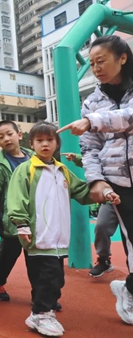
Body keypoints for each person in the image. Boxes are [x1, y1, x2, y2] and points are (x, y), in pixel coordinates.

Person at [7, 121, 119, 337]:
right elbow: (16, 199)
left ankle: (42, 307)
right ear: (31, 144)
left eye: (50, 140)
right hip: (37, 236)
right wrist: (21, 224)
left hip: (57, 238)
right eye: (39, 141)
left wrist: (104, 194)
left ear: (57, 143)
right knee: (49, 276)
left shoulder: (62, 170)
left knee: (50, 277)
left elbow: (82, 192)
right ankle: (41, 313)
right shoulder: (25, 170)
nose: (45, 144)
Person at [57, 35, 133, 324]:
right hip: (119, 183)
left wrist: (93, 121)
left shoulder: (95, 112)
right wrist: (96, 181)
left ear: (122, 58)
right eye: (91, 64)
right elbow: (89, 148)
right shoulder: (92, 101)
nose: (96, 68)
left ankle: (127, 287)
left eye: (101, 61)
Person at [0, 120, 33, 302]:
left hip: (35, 218)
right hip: (11, 220)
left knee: (37, 258)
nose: (6, 139)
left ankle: (42, 293)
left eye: (9, 134)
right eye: (0, 137)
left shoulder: (33, 158)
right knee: (8, 253)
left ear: (19, 135)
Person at [63, 153, 118, 277]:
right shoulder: (111, 146)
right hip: (109, 194)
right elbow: (96, 161)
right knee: (101, 226)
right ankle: (104, 259)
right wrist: (77, 158)